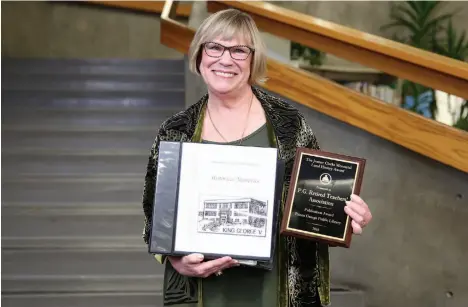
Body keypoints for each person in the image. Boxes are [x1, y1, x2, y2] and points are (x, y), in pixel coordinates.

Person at [141, 8, 373, 307]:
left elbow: (317, 202)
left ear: (253, 60)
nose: (225, 59)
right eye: (214, 47)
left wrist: (346, 214)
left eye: (239, 50)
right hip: (202, 291)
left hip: (276, 290)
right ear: (199, 55)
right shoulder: (175, 131)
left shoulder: (290, 125)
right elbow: (153, 210)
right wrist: (174, 259)